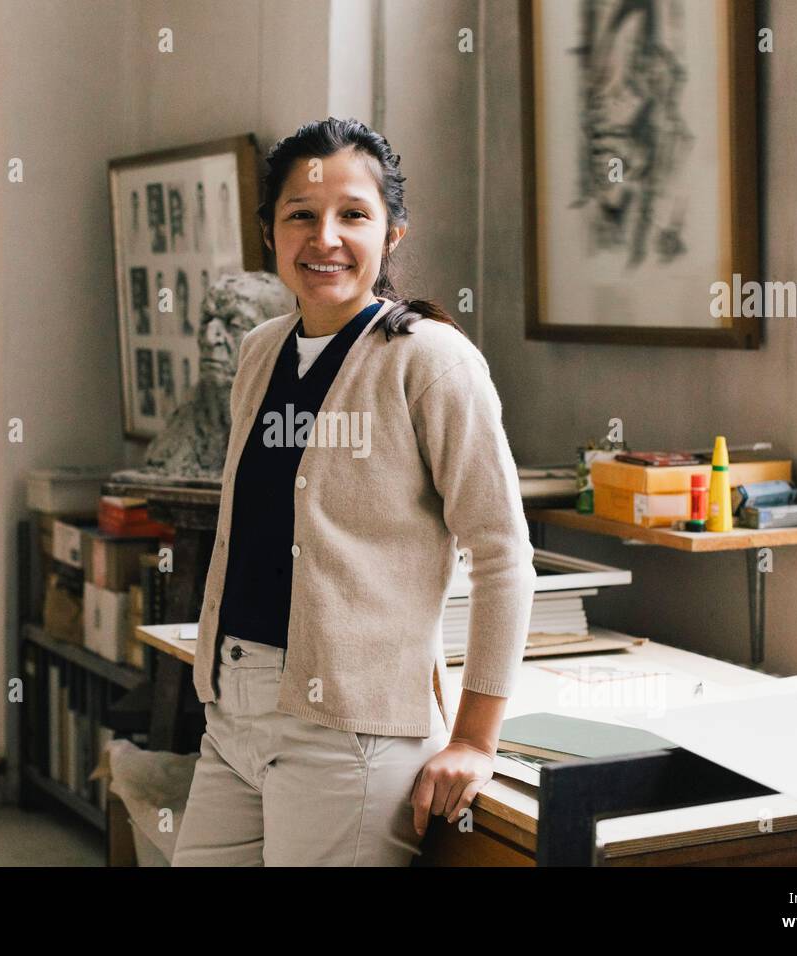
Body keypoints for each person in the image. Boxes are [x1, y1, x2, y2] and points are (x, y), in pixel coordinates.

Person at [171, 118, 535, 866]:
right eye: (300, 215)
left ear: (393, 232)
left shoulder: (430, 362)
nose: (324, 237)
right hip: (232, 713)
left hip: (350, 735)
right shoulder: (259, 350)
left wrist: (473, 737)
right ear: (270, 231)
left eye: (353, 215)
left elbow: (502, 554)